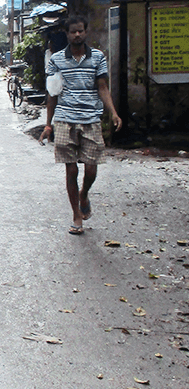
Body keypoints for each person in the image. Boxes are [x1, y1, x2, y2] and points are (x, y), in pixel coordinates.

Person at [39, 14, 122, 235]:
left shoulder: (97, 57)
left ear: (86, 32)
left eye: (81, 31)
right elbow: (52, 94)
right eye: (73, 31)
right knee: (71, 170)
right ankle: (76, 214)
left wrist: (113, 112)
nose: (77, 34)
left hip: (91, 119)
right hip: (65, 119)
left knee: (92, 169)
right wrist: (48, 125)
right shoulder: (56, 60)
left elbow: (102, 87)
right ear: (66, 34)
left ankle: (84, 193)